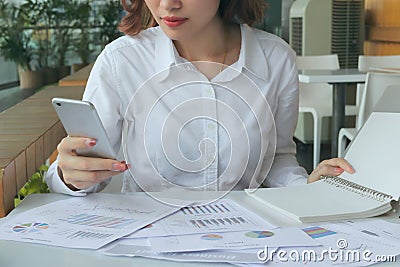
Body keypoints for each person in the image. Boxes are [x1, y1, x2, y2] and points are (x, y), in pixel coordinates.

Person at [45, 0, 354, 195]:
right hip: (148, 240)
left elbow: (276, 157)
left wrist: (305, 190)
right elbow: (87, 165)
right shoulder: (121, 61)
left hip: (246, 238)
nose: (167, 4)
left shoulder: (276, 59)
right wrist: (70, 174)